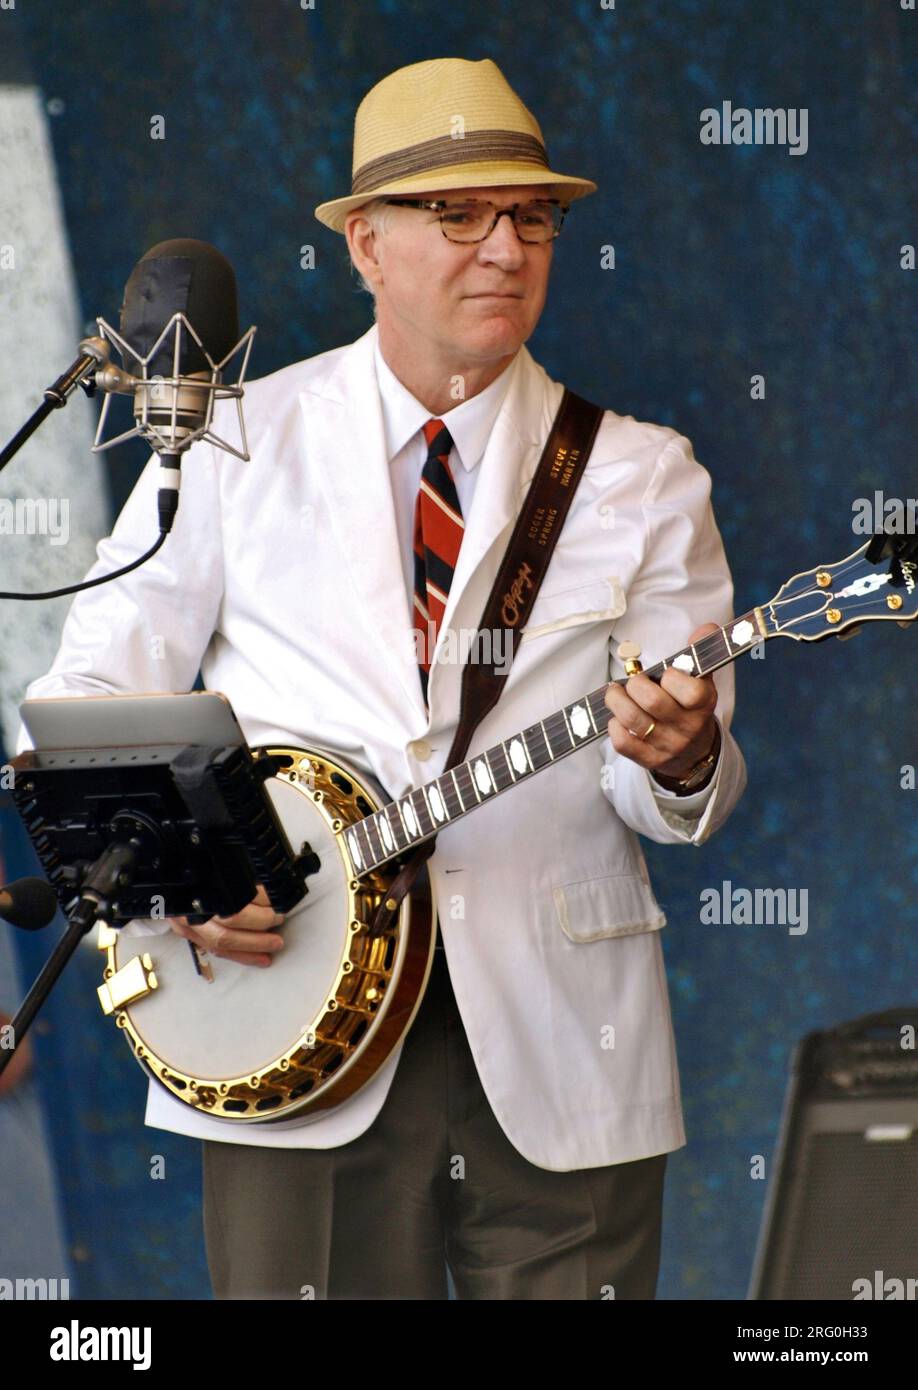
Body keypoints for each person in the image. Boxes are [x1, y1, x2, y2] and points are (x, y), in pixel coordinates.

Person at [20, 56, 746, 1299]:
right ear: (363, 242)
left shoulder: (642, 475)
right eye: (456, 214)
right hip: (282, 1033)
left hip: (564, 1043)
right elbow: (87, 716)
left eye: (533, 215)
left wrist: (681, 760)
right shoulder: (240, 444)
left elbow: (675, 795)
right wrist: (181, 892)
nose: (504, 247)